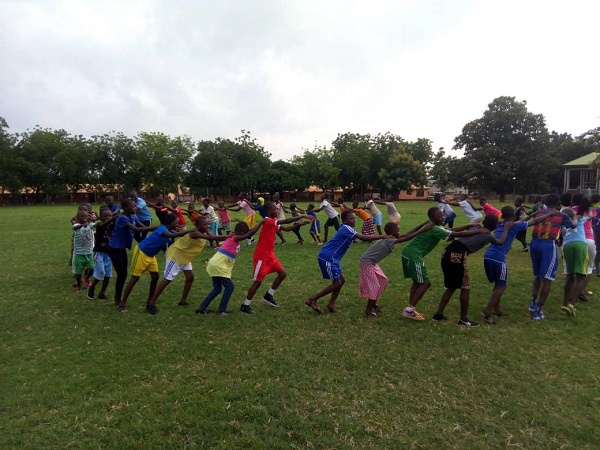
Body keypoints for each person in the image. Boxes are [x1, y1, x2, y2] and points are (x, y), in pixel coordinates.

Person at [400, 207, 484, 321]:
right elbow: (454, 233)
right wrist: (479, 231)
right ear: (432, 218)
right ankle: (409, 310)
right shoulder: (435, 229)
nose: (443, 217)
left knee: (417, 282)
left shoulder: (434, 225)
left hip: (409, 253)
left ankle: (410, 309)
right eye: (440, 216)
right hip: (413, 255)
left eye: (443, 215)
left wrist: (467, 226)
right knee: (425, 283)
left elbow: (450, 229)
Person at [481, 206, 557, 324]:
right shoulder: (515, 226)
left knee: (498, 283)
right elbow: (534, 222)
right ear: (513, 216)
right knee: (502, 286)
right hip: (498, 259)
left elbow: (524, 220)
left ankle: (497, 309)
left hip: (487, 256)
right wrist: (549, 214)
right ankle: (487, 311)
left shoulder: (501, 223)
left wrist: (536, 212)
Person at [432, 214, 512, 327]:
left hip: (447, 252)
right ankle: (463, 319)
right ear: (494, 226)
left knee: (452, 286)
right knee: (465, 287)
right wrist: (506, 229)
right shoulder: (488, 235)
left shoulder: (476, 229)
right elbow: (501, 242)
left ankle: (438, 314)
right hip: (458, 255)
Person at [305, 210, 389, 314]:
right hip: (328, 257)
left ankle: (331, 305)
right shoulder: (346, 228)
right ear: (344, 220)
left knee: (341, 280)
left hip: (333, 258)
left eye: (354, 218)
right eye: (351, 219)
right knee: (337, 283)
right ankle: (312, 299)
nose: (354, 220)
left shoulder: (346, 228)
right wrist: (382, 236)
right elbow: (363, 238)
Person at [240, 201, 313, 314]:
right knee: (258, 282)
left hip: (270, 255)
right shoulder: (269, 221)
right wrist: (302, 215)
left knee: (282, 274)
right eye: (275, 209)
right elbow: (286, 220)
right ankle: (245, 305)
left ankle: (269, 295)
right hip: (261, 256)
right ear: (269, 211)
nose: (277, 211)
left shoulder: (273, 222)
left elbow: (286, 228)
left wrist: (299, 225)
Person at [146, 217, 228, 315]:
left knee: (190, 277)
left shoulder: (204, 232)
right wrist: (228, 236)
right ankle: (151, 303)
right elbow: (212, 238)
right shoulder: (195, 233)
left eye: (207, 224)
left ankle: (183, 301)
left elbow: (212, 239)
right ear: (197, 226)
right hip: (176, 256)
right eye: (204, 225)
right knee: (167, 279)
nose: (207, 226)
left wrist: (210, 234)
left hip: (185, 257)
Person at [359, 222, 431, 318]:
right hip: (367, 262)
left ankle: (373, 304)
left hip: (371, 263)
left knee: (383, 281)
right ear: (392, 232)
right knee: (375, 286)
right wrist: (422, 230)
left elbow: (408, 234)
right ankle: (368, 311)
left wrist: (423, 224)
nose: (399, 231)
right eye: (398, 230)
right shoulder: (389, 240)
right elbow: (406, 238)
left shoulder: (391, 238)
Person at [119, 214, 189, 312]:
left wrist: (187, 232)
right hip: (141, 252)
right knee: (135, 278)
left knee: (155, 277)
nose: (178, 224)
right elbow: (171, 235)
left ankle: (150, 302)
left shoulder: (170, 230)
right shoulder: (162, 228)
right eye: (176, 222)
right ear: (170, 222)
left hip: (151, 256)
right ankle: (122, 303)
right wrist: (188, 231)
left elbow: (176, 233)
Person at [195, 221, 263, 315]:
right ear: (242, 232)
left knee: (217, 289)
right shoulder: (235, 238)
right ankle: (221, 310)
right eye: (245, 233)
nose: (247, 235)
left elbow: (250, 232)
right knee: (230, 287)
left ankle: (201, 308)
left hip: (215, 264)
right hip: (219, 265)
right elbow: (250, 233)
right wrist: (261, 222)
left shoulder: (234, 237)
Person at [528, 194, 576, 320]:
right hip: (548, 245)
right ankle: (538, 311)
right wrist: (576, 217)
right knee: (547, 278)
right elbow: (573, 225)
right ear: (558, 203)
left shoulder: (540, 212)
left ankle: (532, 303)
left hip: (534, 243)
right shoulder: (561, 215)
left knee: (538, 275)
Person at [105, 198, 158, 309]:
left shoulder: (133, 216)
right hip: (114, 249)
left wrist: (159, 231)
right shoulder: (122, 218)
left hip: (121, 248)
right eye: (132, 206)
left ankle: (118, 297)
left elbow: (142, 227)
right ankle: (117, 299)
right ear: (125, 208)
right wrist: (157, 227)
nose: (135, 208)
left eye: (135, 206)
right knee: (122, 274)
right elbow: (136, 229)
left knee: (123, 274)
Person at [560, 208, 587, 317]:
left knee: (570, 276)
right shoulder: (579, 219)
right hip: (580, 244)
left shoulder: (562, 225)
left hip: (567, 246)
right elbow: (590, 214)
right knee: (581, 276)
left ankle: (564, 303)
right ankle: (572, 304)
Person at [87, 207, 117, 300]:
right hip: (99, 253)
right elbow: (103, 225)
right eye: (105, 216)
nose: (108, 217)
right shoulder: (99, 225)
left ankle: (102, 293)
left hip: (109, 254)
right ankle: (92, 288)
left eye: (110, 215)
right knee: (101, 274)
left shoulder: (113, 226)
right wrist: (113, 218)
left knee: (108, 275)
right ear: (100, 217)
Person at [570, 193, 596, 301]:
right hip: (589, 239)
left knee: (575, 267)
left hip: (576, 239)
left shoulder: (571, 210)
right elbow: (591, 217)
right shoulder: (590, 210)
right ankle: (582, 290)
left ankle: (573, 291)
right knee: (588, 267)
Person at [71, 209, 96, 293]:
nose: (84, 218)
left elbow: (97, 225)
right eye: (82, 216)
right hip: (79, 254)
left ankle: (86, 278)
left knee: (92, 269)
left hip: (89, 253)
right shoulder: (76, 226)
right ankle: (79, 286)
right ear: (78, 218)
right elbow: (76, 227)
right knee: (78, 273)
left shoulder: (90, 225)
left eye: (86, 216)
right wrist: (83, 225)